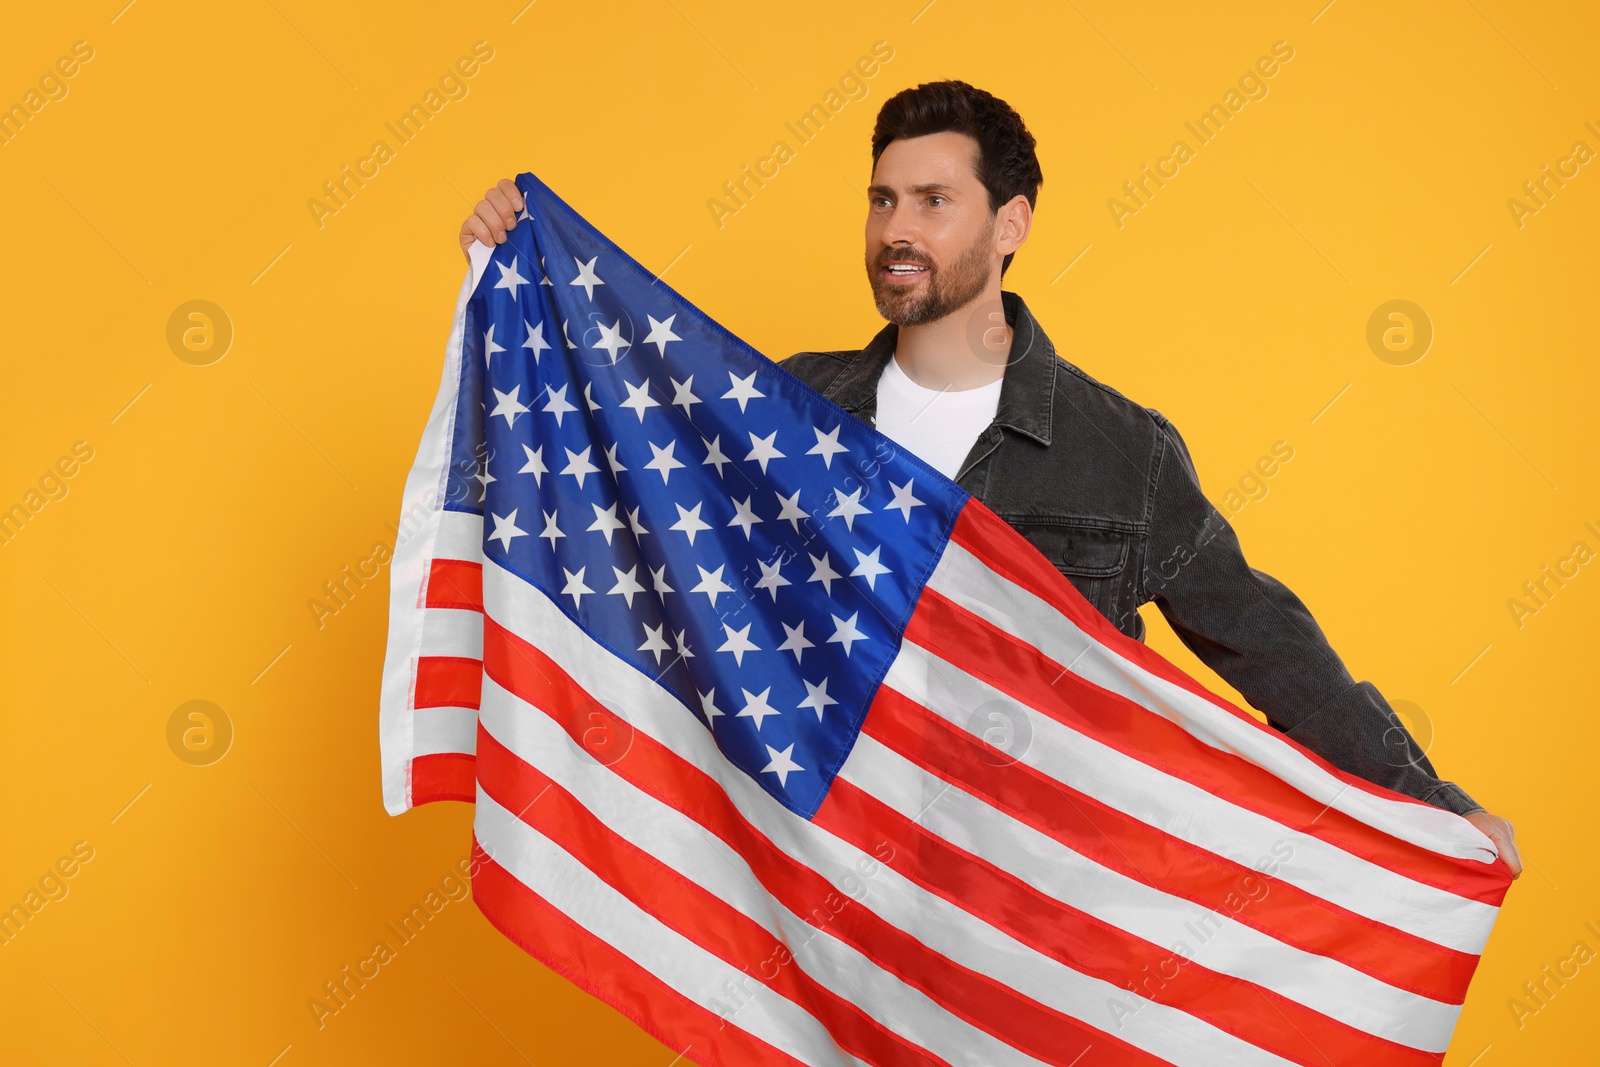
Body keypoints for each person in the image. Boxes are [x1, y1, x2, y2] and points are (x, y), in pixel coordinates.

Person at [457, 80, 1520, 877]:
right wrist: (520, 270)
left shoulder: (1123, 454)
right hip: (828, 894)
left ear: (1009, 226)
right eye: (880, 200)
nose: (895, 232)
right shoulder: (788, 408)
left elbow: (1270, 645)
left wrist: (1430, 806)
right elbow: (623, 476)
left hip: (1029, 916)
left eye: (932, 200)